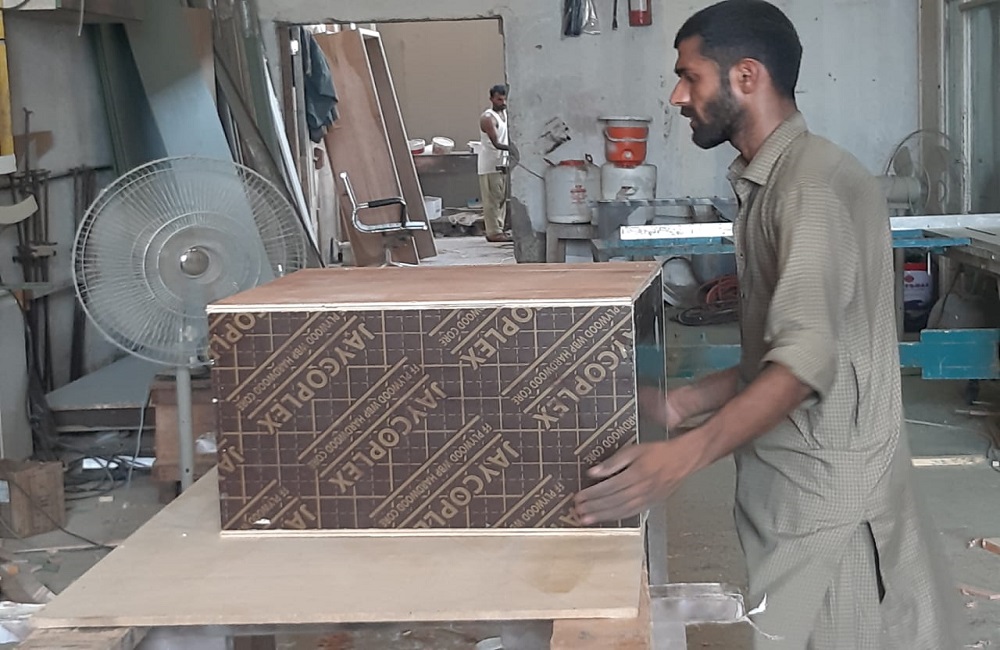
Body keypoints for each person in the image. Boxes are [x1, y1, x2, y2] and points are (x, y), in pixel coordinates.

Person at [573, 2, 957, 648]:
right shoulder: (775, 184)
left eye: (689, 76)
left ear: (746, 76)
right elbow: (790, 348)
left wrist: (684, 456)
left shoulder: (808, 190)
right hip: (793, 498)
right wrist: (682, 402)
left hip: (829, 512)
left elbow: (804, 365)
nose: (677, 96)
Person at [478, 84, 512, 243]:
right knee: (492, 200)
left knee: (501, 198)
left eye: (504, 99)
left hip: (502, 163)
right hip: (490, 165)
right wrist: (515, 149)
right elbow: (496, 143)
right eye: (499, 99)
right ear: (491, 99)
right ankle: (493, 232)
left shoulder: (505, 114)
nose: (503, 102)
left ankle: (500, 229)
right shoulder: (488, 118)